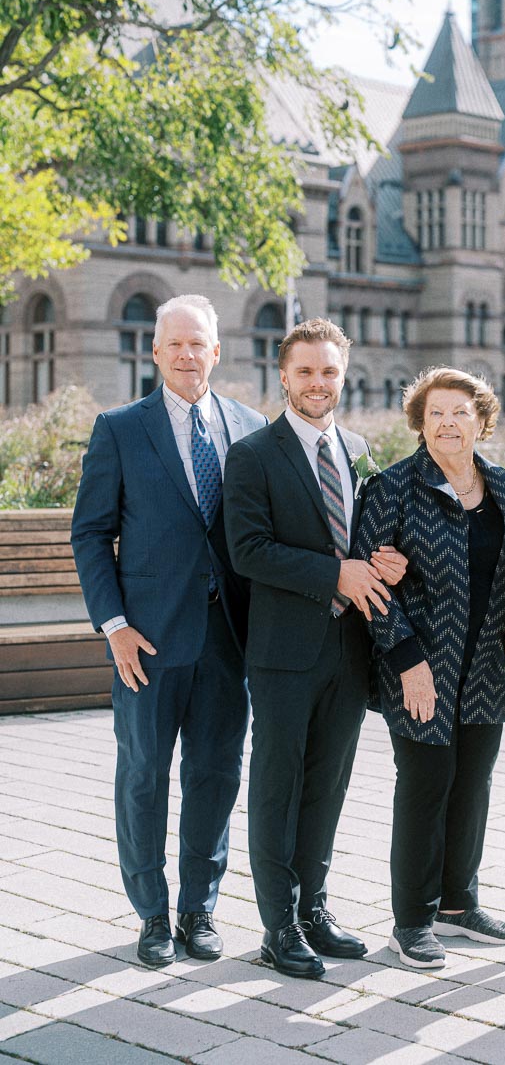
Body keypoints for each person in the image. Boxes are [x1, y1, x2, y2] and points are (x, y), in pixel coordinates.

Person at [71, 294, 266, 968]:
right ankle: (152, 915)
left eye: (199, 343)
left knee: (216, 773)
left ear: (218, 351)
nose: (188, 354)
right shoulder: (121, 429)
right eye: (174, 343)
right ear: (156, 353)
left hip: (229, 637)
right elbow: (92, 534)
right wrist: (115, 625)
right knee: (145, 774)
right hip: (147, 642)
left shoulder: (250, 428)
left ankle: (198, 908)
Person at [222, 317, 405, 979]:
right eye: (305, 371)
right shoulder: (251, 455)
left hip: (350, 650)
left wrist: (381, 561)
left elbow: (364, 538)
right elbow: (248, 551)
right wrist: (336, 574)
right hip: (283, 652)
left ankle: (315, 908)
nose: (318, 383)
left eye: (329, 371)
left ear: (343, 373)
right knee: (277, 785)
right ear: (283, 375)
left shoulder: (357, 447)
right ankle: (278, 926)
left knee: (328, 784)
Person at [353, 367, 505, 969]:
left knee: (472, 784)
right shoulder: (393, 488)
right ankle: (412, 920)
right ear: (419, 424)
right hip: (419, 665)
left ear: (482, 419)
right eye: (435, 414)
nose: (448, 424)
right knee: (426, 786)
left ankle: (459, 904)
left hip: (483, 667)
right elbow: (371, 584)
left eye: (460, 412)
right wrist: (407, 662)